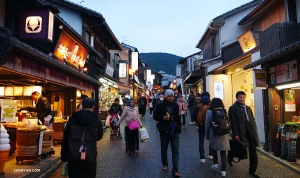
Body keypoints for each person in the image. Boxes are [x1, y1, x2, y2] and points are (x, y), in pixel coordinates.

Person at [61, 97, 103, 178]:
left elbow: (66, 138)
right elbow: (99, 137)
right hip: (89, 154)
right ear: (93, 107)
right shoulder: (96, 120)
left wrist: (64, 157)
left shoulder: (73, 118)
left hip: (73, 155)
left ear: (82, 105)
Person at [229, 91, 259, 178]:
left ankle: (252, 170)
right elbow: (233, 122)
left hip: (250, 132)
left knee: (253, 151)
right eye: (241, 97)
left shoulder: (248, 108)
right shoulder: (233, 108)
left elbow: (252, 120)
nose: (242, 99)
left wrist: (255, 129)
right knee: (238, 149)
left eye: (244, 97)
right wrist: (235, 133)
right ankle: (230, 157)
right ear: (237, 98)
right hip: (240, 132)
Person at [153, 89, 181, 177]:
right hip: (164, 130)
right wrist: (162, 118)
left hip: (174, 130)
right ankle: (165, 164)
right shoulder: (161, 105)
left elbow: (177, 117)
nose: (171, 98)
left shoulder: (175, 105)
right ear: (166, 96)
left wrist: (179, 128)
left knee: (175, 150)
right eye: (169, 96)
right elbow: (155, 116)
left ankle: (175, 170)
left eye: (172, 96)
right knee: (164, 148)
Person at [205, 98, 230, 177]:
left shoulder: (209, 112)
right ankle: (224, 170)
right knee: (223, 151)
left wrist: (207, 135)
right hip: (224, 133)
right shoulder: (224, 111)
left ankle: (215, 163)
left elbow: (207, 125)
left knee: (214, 148)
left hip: (214, 132)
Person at [192, 92, 211, 164]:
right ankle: (211, 154)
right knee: (211, 140)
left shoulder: (198, 105)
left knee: (201, 141)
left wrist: (197, 122)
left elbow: (193, 116)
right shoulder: (211, 105)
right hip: (210, 126)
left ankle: (202, 157)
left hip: (201, 125)